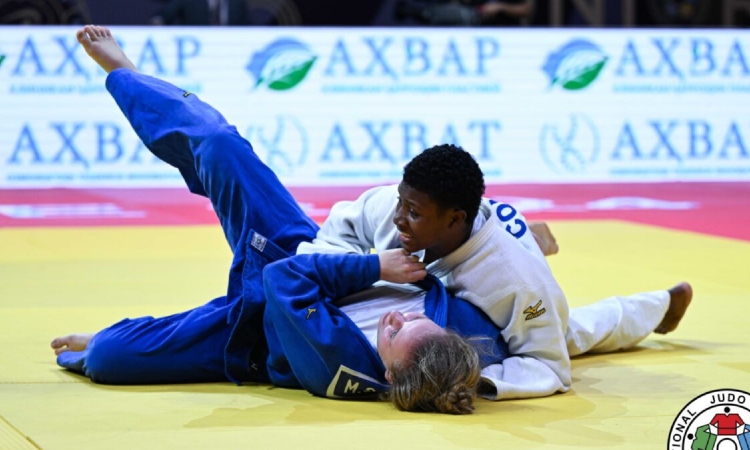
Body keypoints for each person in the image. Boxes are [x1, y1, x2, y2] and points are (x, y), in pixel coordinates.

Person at [51, 25, 512, 415]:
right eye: (414, 318)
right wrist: (522, 236)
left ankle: (108, 338)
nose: (396, 315)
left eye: (393, 331)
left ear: (389, 373)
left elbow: (281, 279)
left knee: (110, 358)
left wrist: (377, 268)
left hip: (252, 330)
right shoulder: (465, 336)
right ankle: (129, 76)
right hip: (304, 250)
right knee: (217, 145)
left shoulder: (341, 364)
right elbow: (545, 326)